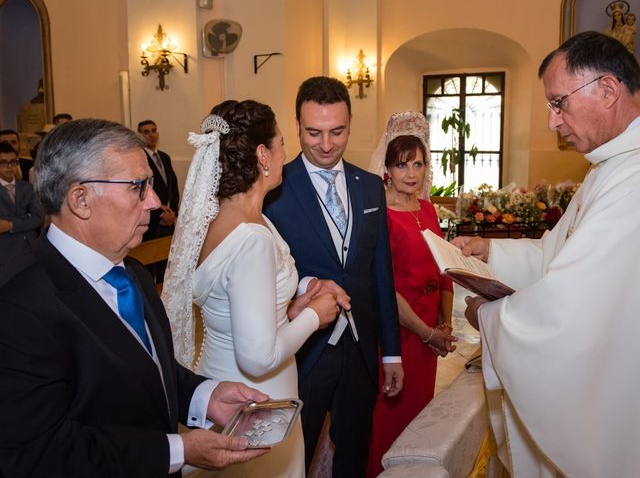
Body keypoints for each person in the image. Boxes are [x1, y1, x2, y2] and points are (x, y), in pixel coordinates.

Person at [0, 118, 271, 477]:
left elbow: (144, 370)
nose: (156, 202)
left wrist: (204, 396)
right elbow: (40, 454)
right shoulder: (19, 307)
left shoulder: (133, 273)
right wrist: (178, 449)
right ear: (81, 199)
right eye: (138, 187)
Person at [453, 31, 640, 477]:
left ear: (608, 90)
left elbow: (567, 310)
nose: (552, 121)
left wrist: (489, 317)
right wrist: (491, 250)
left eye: (559, 103)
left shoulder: (631, 181)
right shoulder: (609, 168)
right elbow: (558, 254)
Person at [161, 100, 341, 478]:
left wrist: (288, 310)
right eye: (279, 143)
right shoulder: (252, 237)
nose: (285, 153)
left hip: (218, 378)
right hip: (257, 401)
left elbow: (237, 307)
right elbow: (257, 357)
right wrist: (314, 316)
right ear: (262, 155)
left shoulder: (218, 221)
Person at [264, 76, 403, 477]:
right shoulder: (275, 190)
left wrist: (390, 351)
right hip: (304, 348)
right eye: (314, 132)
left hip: (360, 348)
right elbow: (268, 269)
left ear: (351, 123)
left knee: (354, 449)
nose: (325, 144)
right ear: (296, 126)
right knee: (293, 454)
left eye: (337, 131)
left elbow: (381, 273)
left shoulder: (369, 187)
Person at [365, 112, 456, 478]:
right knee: (391, 416)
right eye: (402, 165)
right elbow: (385, 288)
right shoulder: (381, 215)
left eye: (418, 164)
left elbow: (443, 268)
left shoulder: (429, 209)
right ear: (386, 168)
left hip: (430, 334)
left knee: (420, 414)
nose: (412, 173)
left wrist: (445, 322)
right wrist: (426, 332)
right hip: (400, 332)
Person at [138, 119, 180, 282]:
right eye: (146, 132)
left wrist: (173, 212)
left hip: (169, 222)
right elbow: (141, 191)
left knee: (166, 268)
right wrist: (159, 215)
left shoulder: (164, 157)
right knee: (148, 271)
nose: (151, 135)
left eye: (153, 130)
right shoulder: (139, 158)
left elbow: (173, 187)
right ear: (139, 135)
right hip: (152, 222)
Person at [0, 141, 43, 268]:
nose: (9, 166)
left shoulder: (27, 187)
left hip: (30, 249)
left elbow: (38, 218)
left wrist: (10, 224)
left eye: (13, 161)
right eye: (3, 163)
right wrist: (25, 218)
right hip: (4, 253)